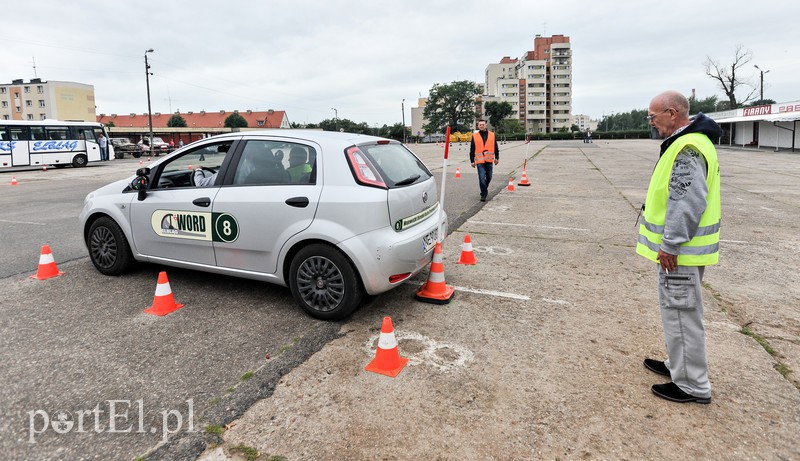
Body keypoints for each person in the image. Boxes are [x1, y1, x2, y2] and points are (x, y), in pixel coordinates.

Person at [637, 90, 722, 404]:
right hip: (685, 251)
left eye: (653, 116)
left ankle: (692, 385)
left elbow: (686, 202)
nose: (651, 121)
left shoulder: (687, 148)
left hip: (680, 252)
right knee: (677, 312)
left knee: (683, 315)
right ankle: (678, 366)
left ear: (672, 113)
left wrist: (671, 244)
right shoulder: (691, 142)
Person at [469, 119, 499, 202]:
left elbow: (495, 147)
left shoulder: (492, 135)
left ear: (486, 125)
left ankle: (484, 189)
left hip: (489, 160)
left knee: (489, 177)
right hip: (480, 161)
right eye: (480, 125)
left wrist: (497, 158)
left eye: (483, 124)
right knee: (482, 178)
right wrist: (472, 161)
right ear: (478, 126)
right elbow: (472, 149)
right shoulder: (475, 136)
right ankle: (483, 194)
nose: (481, 126)